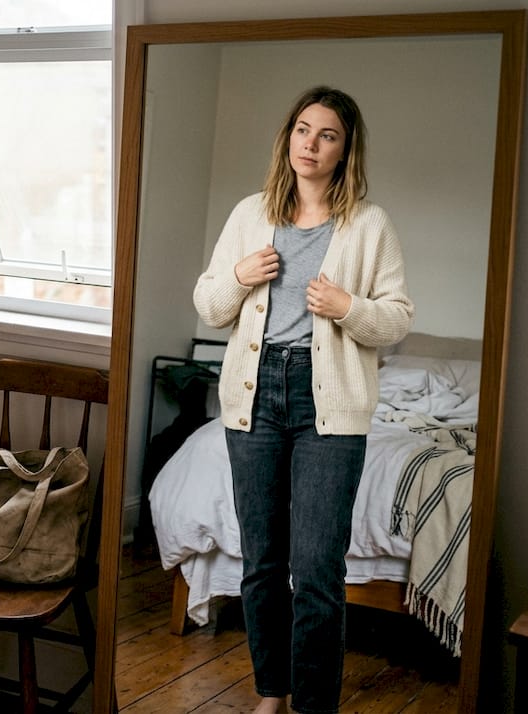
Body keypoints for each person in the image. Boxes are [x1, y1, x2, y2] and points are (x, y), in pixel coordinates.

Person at [192, 86, 414, 714]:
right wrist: (239, 277)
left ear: (346, 151)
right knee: (261, 560)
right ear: (287, 137)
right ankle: (272, 693)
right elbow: (209, 306)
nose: (310, 145)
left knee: (316, 568)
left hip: (329, 401)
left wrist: (348, 308)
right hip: (252, 396)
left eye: (327, 136)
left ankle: (315, 705)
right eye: (302, 130)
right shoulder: (249, 214)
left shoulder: (369, 224)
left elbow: (396, 318)